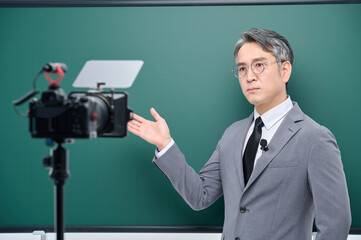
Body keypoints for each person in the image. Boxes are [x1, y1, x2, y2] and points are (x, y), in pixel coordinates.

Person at [127, 28, 351, 240]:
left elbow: (335, 223)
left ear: (285, 70)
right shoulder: (232, 134)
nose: (249, 76)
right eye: (242, 68)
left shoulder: (315, 138)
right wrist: (165, 144)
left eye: (259, 65)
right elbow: (200, 196)